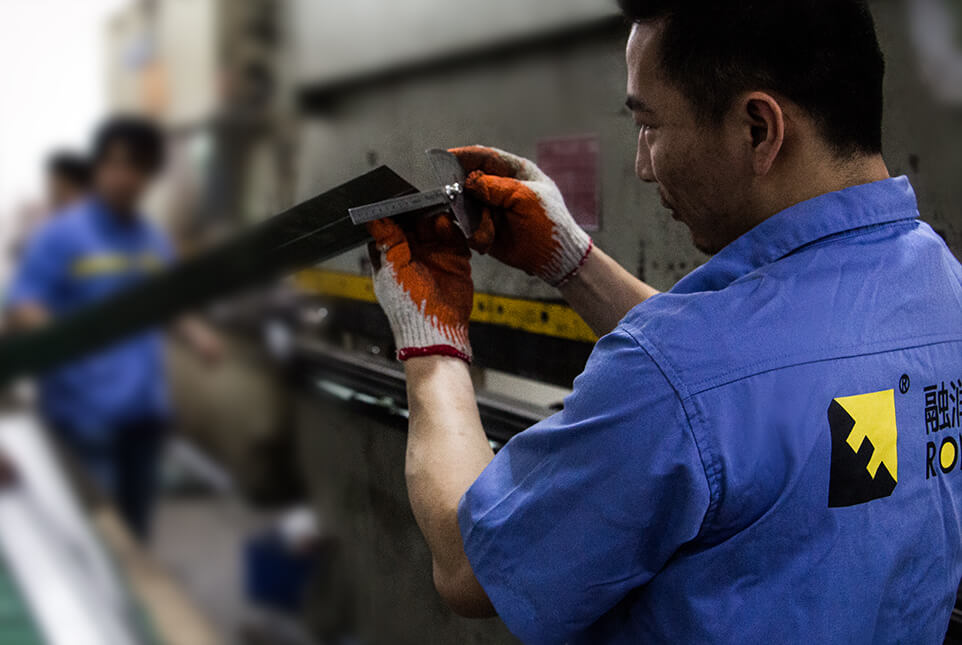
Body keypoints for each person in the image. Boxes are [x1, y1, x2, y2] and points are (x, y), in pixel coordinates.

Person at [365, 0, 962, 642]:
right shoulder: (942, 284)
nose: (643, 165)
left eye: (649, 125)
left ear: (758, 128)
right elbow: (742, 386)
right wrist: (570, 261)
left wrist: (431, 339)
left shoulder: (679, 374)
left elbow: (469, 564)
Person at [5, 116, 222, 540]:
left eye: (136, 166)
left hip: (143, 413)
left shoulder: (152, 240)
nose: (123, 177)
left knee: (136, 535)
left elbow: (167, 301)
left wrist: (198, 334)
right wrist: (62, 334)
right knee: (100, 538)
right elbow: (24, 301)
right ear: (98, 168)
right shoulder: (61, 235)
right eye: (114, 164)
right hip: (84, 415)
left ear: (149, 176)